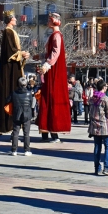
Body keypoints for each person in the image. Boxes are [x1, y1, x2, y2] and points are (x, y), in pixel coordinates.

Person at [36, 12, 71, 142]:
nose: (48, 21)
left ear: (55, 21)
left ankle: (52, 132)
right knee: (46, 98)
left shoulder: (57, 36)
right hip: (51, 71)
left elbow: (55, 53)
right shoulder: (54, 35)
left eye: (50, 20)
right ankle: (46, 132)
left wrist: (47, 65)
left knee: (51, 97)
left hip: (54, 71)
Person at [0, 10, 29, 135]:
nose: (16, 19)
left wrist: (22, 55)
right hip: (10, 69)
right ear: (10, 19)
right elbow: (11, 51)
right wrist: (21, 53)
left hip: (14, 67)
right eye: (14, 18)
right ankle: (10, 123)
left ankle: (14, 123)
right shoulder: (8, 31)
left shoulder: (11, 31)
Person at [88, 79, 108, 175]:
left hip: (95, 126)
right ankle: (107, 167)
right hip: (105, 126)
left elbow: (90, 112)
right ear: (104, 87)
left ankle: (97, 168)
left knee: (97, 147)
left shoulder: (92, 98)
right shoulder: (105, 99)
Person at [10, 76, 36, 156]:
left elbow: (7, 100)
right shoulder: (29, 93)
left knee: (15, 132)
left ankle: (14, 150)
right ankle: (27, 150)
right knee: (26, 133)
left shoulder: (14, 93)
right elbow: (32, 104)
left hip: (17, 113)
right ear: (26, 84)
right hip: (27, 114)